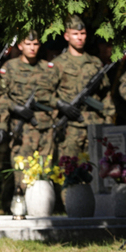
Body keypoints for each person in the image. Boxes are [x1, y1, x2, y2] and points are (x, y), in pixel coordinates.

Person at [0, 31, 58, 191]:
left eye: (36, 44)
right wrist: (13, 110)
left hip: (45, 129)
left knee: (44, 174)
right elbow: (2, 98)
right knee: (23, 177)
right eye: (28, 44)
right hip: (21, 130)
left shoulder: (48, 68)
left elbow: (54, 97)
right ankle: (22, 207)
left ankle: (43, 211)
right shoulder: (10, 68)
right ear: (20, 45)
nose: (32, 48)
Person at [51, 15, 114, 159]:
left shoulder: (95, 62)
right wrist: (61, 105)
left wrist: (109, 121)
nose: (79, 37)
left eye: (82, 34)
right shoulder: (58, 64)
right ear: (66, 36)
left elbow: (106, 95)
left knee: (97, 170)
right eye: (75, 34)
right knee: (70, 172)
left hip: (95, 125)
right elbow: (47, 93)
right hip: (71, 128)